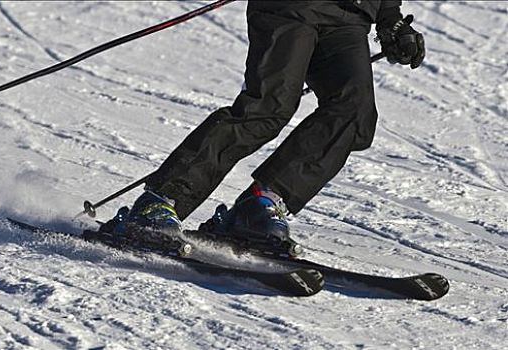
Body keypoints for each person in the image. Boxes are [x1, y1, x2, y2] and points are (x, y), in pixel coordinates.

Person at [117, 0, 425, 248]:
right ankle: (160, 201)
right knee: (268, 108)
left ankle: (260, 204)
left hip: (351, 17)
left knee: (354, 113)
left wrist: (390, 19)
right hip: (290, 8)